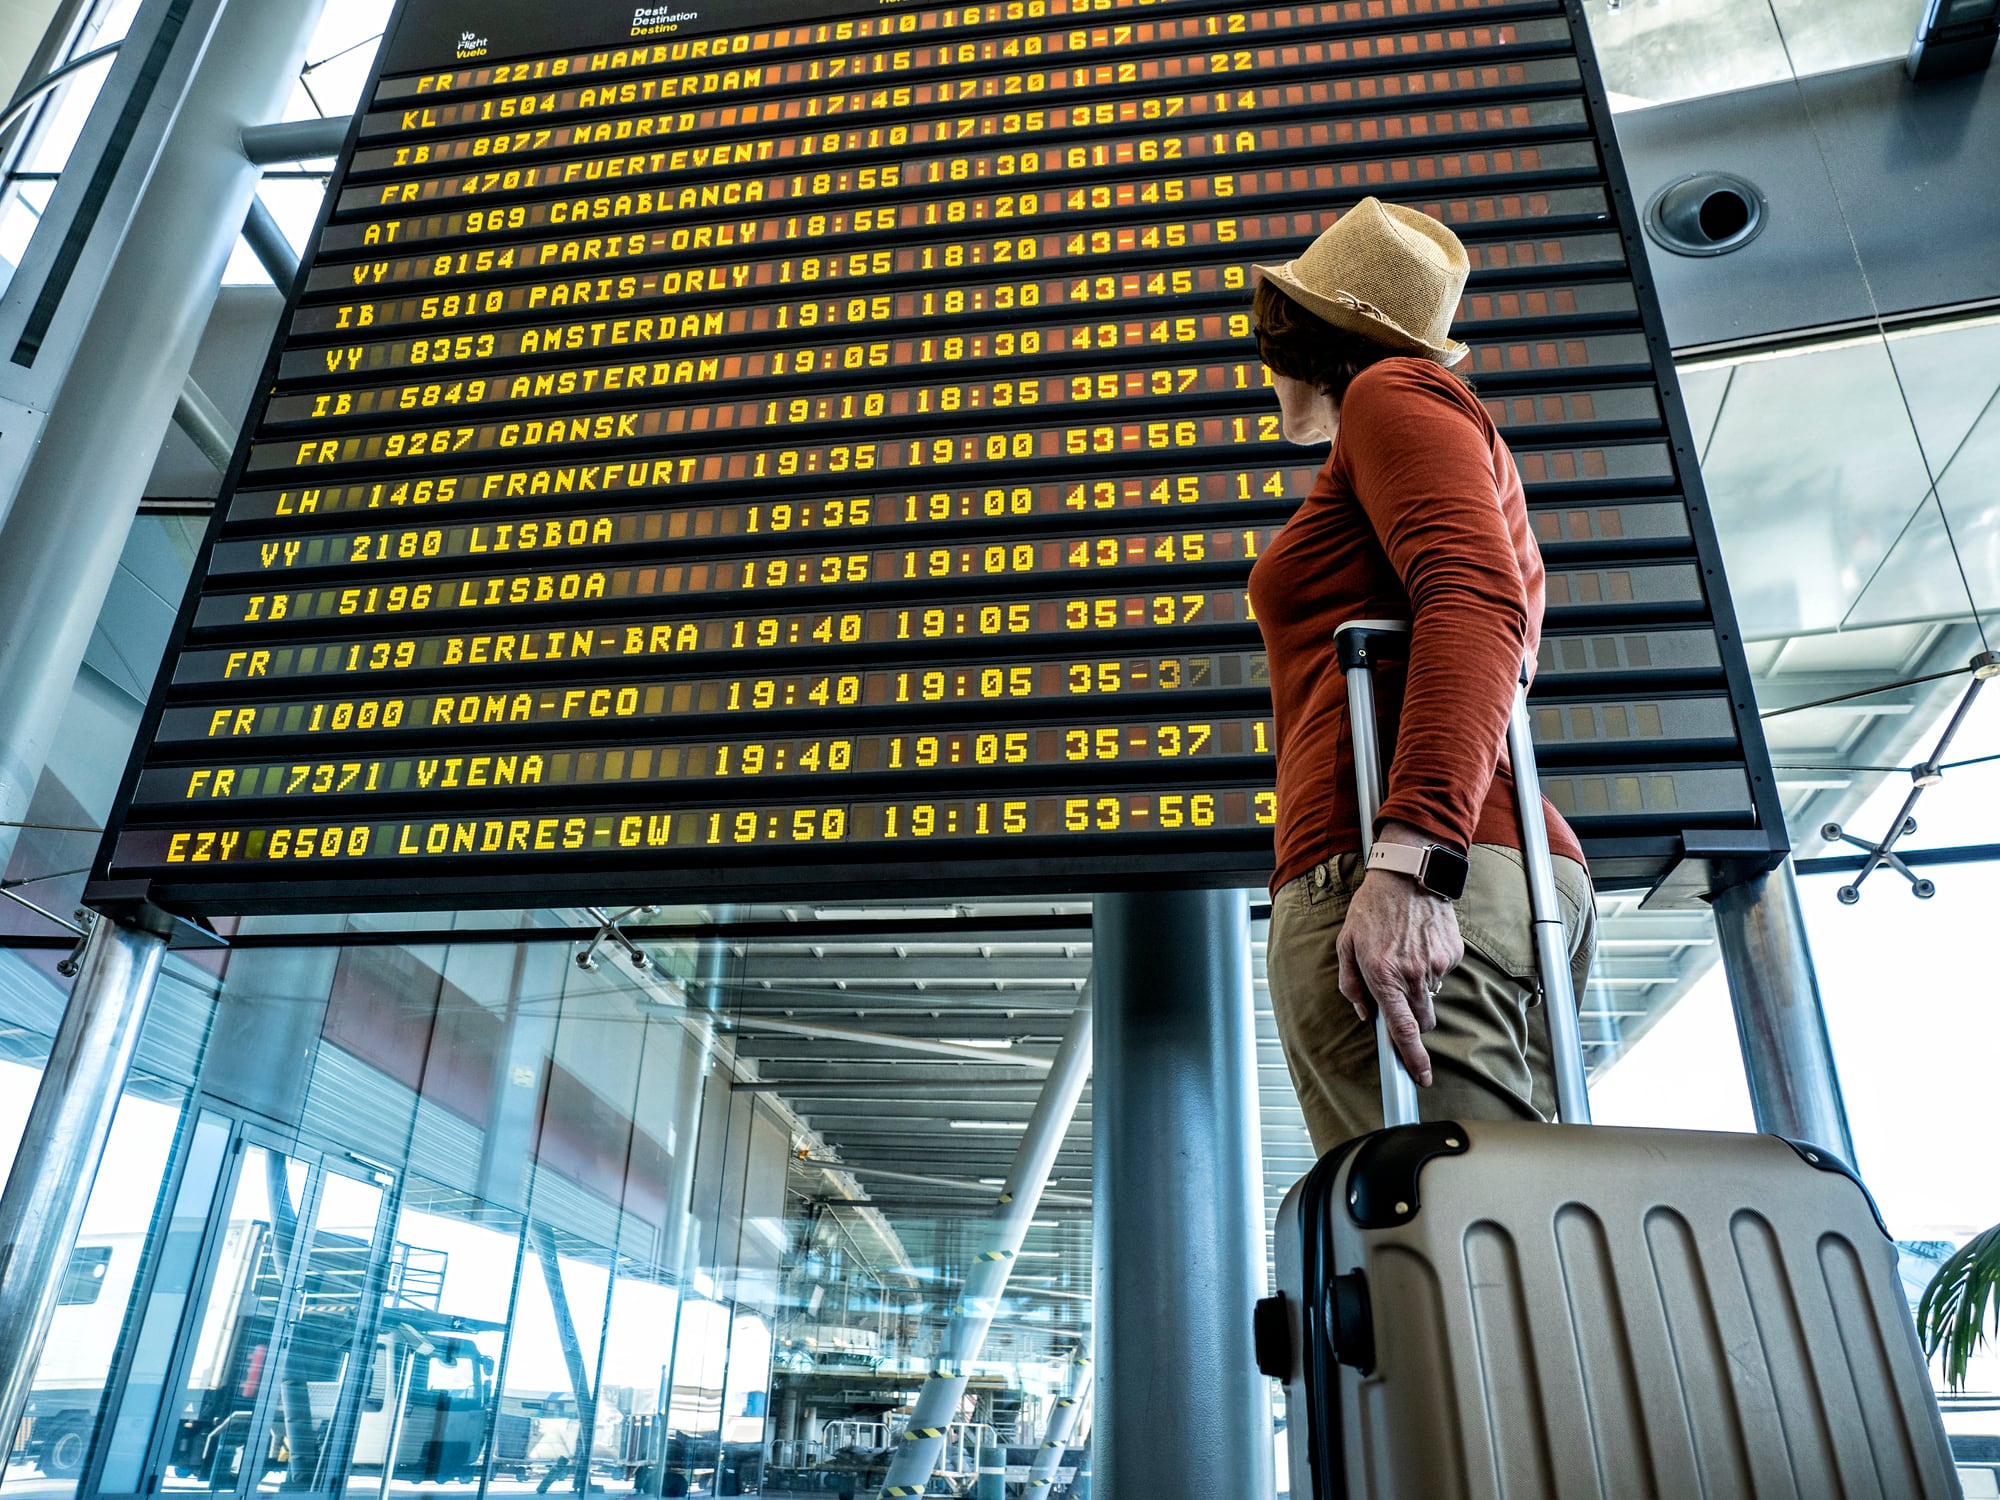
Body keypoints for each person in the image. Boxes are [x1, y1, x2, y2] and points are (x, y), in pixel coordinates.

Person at [1244, 197, 1597, 1154]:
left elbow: (1476, 603)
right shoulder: (1414, 415)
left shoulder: (1389, 393)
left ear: (1298, 331)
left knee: (1450, 1255)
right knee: (1499, 1239)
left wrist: (1411, 863)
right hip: (1482, 854)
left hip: (1397, 850)